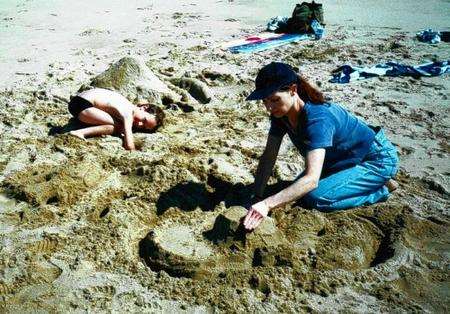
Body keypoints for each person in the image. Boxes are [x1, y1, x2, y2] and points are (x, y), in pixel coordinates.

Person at [243, 62, 399, 230]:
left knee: (316, 197)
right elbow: (268, 157)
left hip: (375, 159)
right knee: (294, 191)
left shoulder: (318, 118)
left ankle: (380, 189)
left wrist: (267, 205)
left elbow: (311, 180)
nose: (269, 108)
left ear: (293, 90)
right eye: (265, 101)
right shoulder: (280, 115)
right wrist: (257, 196)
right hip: (339, 160)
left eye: (275, 99)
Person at [67, 88, 164, 150]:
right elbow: (129, 144)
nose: (139, 125)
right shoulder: (129, 112)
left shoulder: (126, 103)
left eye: (143, 127)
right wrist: (133, 151)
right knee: (118, 127)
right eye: (143, 120)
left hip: (79, 100)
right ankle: (80, 133)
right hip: (82, 105)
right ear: (144, 107)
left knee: (116, 124)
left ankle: (80, 128)